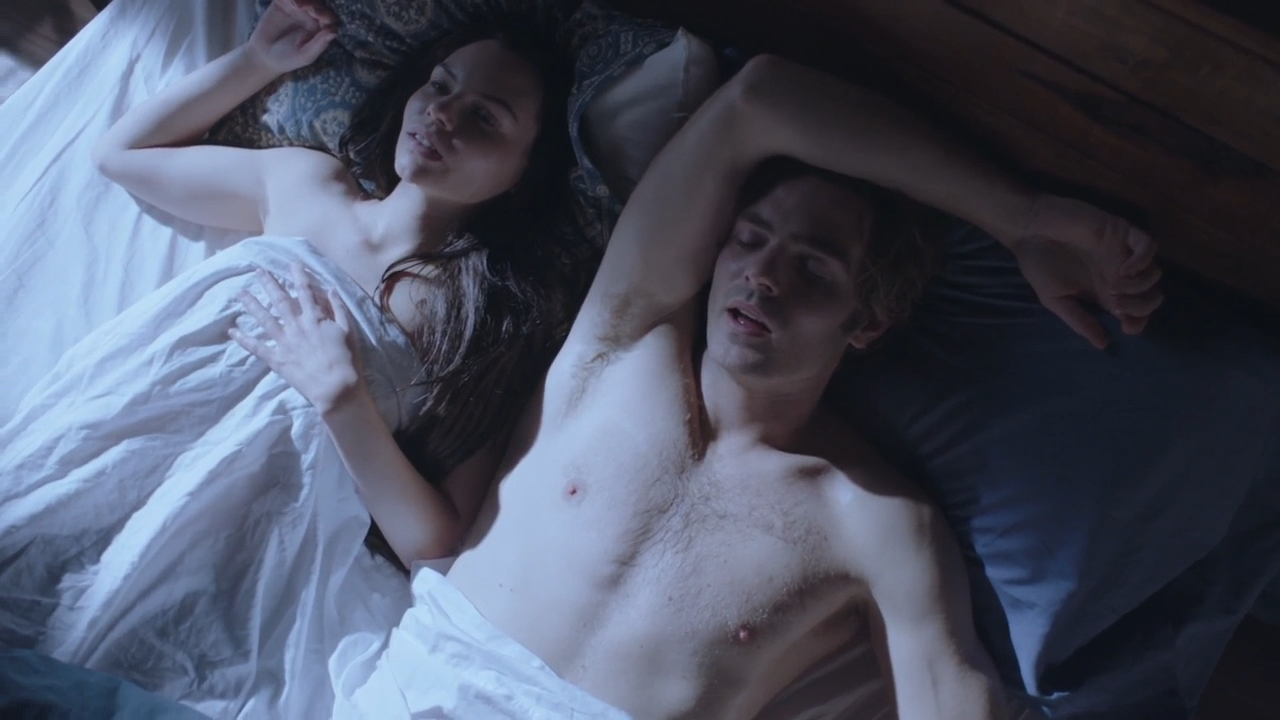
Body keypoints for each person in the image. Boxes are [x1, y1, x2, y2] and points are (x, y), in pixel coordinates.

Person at [325, 53, 1164, 719]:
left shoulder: (875, 519)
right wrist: (1020, 219)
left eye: (814, 267)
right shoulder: (621, 338)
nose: (763, 277)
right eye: (752, 239)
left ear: (869, 321)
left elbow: (952, 693)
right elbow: (757, 98)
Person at [0, 0, 583, 716]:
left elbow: (434, 545)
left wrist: (344, 401)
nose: (442, 114)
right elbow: (122, 155)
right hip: (110, 460)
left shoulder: (483, 318)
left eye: (485, 117)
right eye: (440, 85)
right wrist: (256, 61)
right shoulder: (307, 184)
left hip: (230, 542)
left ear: (527, 171)